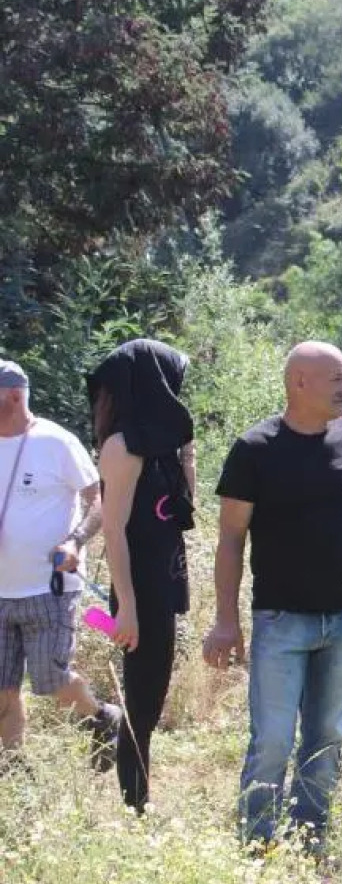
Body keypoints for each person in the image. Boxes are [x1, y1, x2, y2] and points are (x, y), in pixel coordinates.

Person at [203, 342, 342, 856]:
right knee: (271, 741)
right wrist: (226, 619)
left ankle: (310, 841)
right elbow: (230, 539)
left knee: (328, 737)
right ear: (299, 383)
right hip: (280, 619)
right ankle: (257, 848)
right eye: (336, 378)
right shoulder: (255, 449)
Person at [86, 340, 196, 813]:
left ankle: (138, 796)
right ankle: (136, 804)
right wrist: (125, 606)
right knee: (143, 699)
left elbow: (182, 509)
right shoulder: (123, 446)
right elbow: (113, 530)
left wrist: (186, 458)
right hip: (139, 584)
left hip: (163, 574)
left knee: (153, 693)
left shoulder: (165, 445)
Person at [0, 358, 122, 761]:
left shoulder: (55, 441)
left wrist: (75, 541)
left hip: (49, 586)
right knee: (2, 687)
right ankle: (15, 768)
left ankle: (103, 717)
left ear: (14, 396)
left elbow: (98, 500)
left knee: (51, 681)